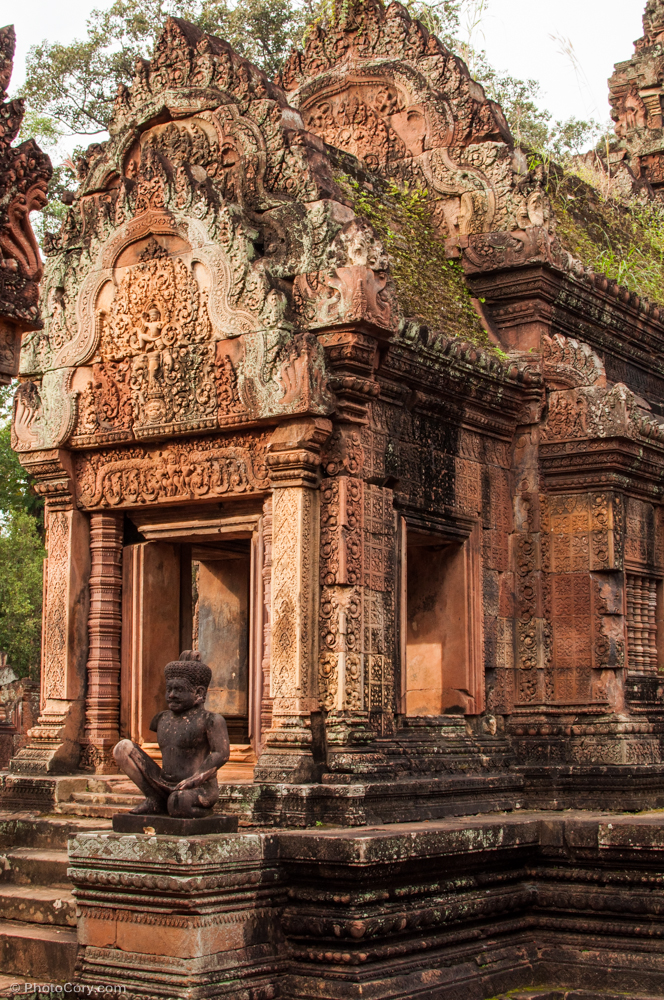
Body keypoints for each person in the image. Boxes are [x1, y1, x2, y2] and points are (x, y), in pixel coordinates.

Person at [113, 650, 230, 818]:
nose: (172, 695)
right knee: (122, 748)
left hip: (198, 788)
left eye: (179, 690)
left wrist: (196, 778)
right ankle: (155, 798)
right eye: (169, 689)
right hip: (162, 783)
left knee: (178, 803)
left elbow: (221, 753)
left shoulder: (210, 720)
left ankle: (200, 812)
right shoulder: (161, 718)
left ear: (199, 693)